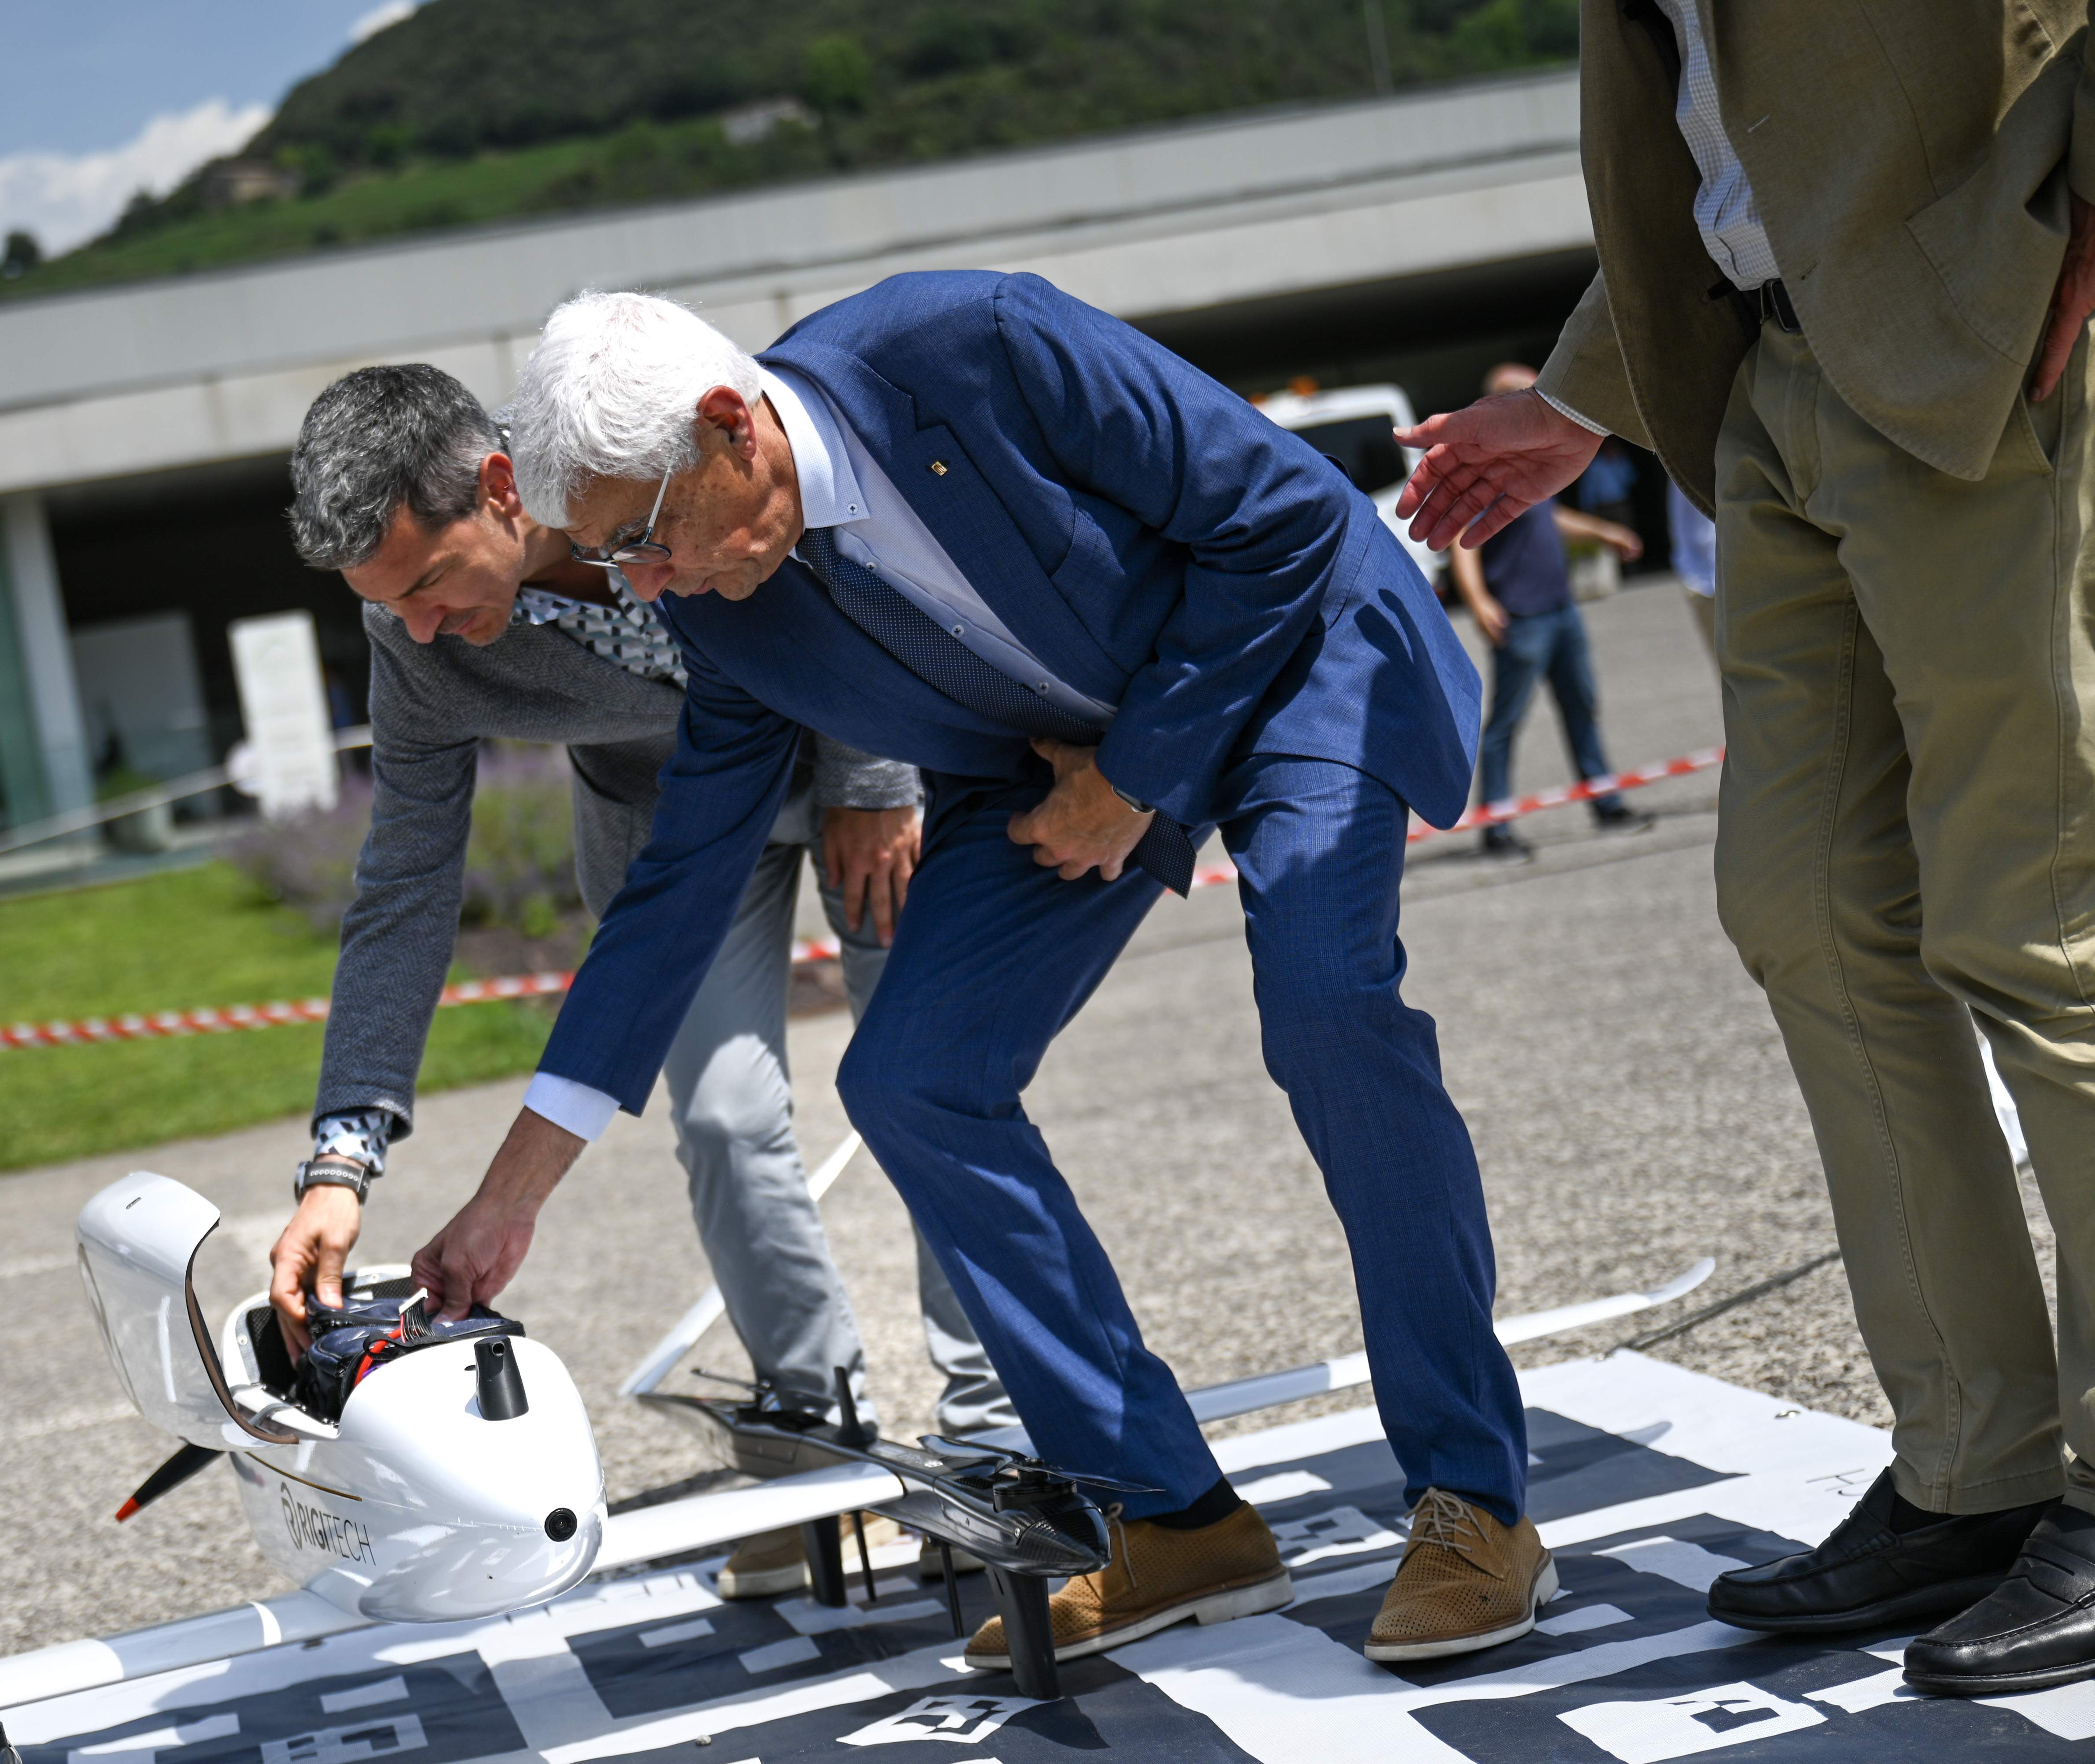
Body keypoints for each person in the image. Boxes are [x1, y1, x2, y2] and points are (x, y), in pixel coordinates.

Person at [405, 276, 1547, 1668]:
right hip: (1063, 759)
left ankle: (1475, 1501)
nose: (645, 589)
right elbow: (671, 898)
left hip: (1294, 655)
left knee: (1325, 997)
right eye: (612, 557)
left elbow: (1290, 517)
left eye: (643, 540)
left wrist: (1136, 777)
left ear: (731, 428)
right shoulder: (723, 606)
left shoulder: (974, 345)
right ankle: (1173, 1517)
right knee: (913, 1075)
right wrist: (509, 1196)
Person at [1391, 1, 2095, 1696]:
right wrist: (1583, 392)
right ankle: (1973, 1462)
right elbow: (1734, 144)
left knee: (2038, 916)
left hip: (1984, 332)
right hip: (1773, 372)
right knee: (1799, 904)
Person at [269, 364, 1014, 1599]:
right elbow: (404, 884)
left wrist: (874, 781)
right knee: (724, 1120)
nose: (413, 630)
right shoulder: (411, 636)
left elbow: (827, 549)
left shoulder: (619, 451)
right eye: (381, 605)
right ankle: (815, 1453)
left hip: (850, 770)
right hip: (671, 848)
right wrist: (341, 1163)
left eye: (425, 586)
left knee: (929, 1086)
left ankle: (993, 1441)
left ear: (504, 492)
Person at [1448, 364, 1654, 862]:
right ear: (1499, 405)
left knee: (1582, 707)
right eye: (1528, 392)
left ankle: (1607, 803)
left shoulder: (1531, 462)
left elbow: (1550, 518)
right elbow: (1461, 540)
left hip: (1561, 609)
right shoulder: (1485, 467)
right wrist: (1479, 601)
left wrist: (1605, 534)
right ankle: (1496, 828)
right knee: (1506, 725)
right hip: (1522, 617)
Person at [1664, 478, 1718, 663]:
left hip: (1748, 573)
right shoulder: (1686, 459)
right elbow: (1680, 518)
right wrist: (1688, 571)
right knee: (1727, 670)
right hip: (1704, 580)